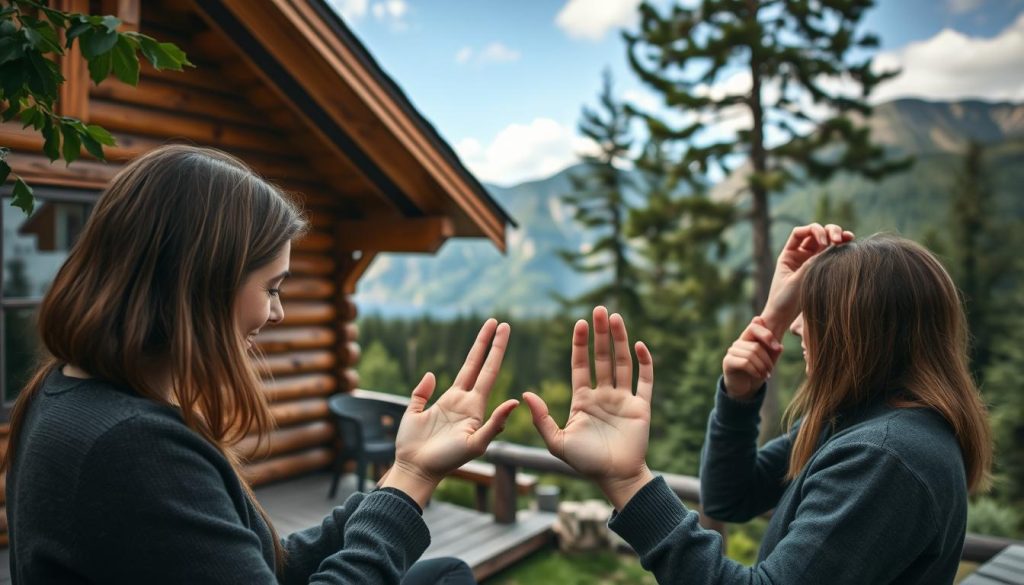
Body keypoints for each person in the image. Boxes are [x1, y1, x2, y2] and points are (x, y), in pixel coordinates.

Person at [3, 145, 520, 584]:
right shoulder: (133, 446)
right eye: (271, 288)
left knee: (441, 572)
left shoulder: (64, 392)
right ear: (200, 284)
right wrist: (411, 488)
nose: (277, 313)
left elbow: (266, 564)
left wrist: (408, 470)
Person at [523, 224, 992, 584]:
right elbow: (731, 496)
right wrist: (743, 389)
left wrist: (628, 480)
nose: (796, 328)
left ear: (860, 331)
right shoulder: (863, 424)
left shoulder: (885, 456)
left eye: (813, 312)